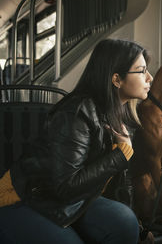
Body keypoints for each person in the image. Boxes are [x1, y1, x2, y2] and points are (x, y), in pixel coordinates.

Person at [0, 39, 153, 243]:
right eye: (142, 71)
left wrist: (139, 229)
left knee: (126, 223)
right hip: (26, 198)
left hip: (75, 199)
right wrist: (119, 156)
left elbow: (118, 184)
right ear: (117, 79)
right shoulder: (76, 112)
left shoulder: (119, 115)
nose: (150, 78)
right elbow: (65, 186)